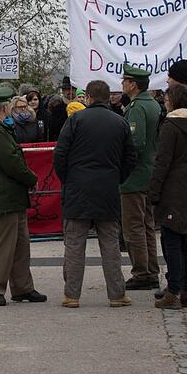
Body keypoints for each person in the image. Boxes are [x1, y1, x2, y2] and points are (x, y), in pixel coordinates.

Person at [54, 80, 137, 308]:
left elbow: (60, 155)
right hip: (108, 188)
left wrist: (68, 180)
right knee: (110, 244)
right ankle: (117, 294)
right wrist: (117, 178)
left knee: (74, 244)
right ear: (108, 96)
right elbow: (130, 157)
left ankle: (72, 295)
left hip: (77, 189)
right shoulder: (120, 122)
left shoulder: (75, 121)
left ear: (88, 97)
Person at [0, 86, 46, 306]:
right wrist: (31, 179)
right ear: (5, 106)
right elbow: (11, 162)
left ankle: (22, 287)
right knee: (3, 246)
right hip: (2, 196)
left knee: (20, 246)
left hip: (11, 196)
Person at [149, 84, 187, 309]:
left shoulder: (171, 125)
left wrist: (154, 191)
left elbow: (162, 161)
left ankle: (173, 291)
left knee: (172, 239)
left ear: (171, 101)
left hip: (174, 188)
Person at [120, 65, 162, 291]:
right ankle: (150, 269)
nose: (122, 84)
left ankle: (142, 272)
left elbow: (135, 143)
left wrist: (122, 168)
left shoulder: (137, 107)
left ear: (133, 84)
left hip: (135, 176)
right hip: (148, 171)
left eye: (125, 80)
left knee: (133, 226)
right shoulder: (152, 103)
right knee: (146, 225)